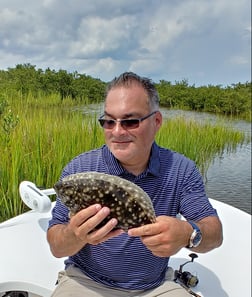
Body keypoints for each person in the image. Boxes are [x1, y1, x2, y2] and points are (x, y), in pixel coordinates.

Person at [47, 72, 223, 297]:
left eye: (130, 121)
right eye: (108, 121)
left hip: (154, 287)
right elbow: (56, 245)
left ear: (156, 121)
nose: (117, 131)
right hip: (86, 281)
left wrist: (188, 234)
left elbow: (215, 233)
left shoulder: (181, 169)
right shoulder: (80, 168)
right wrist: (75, 234)